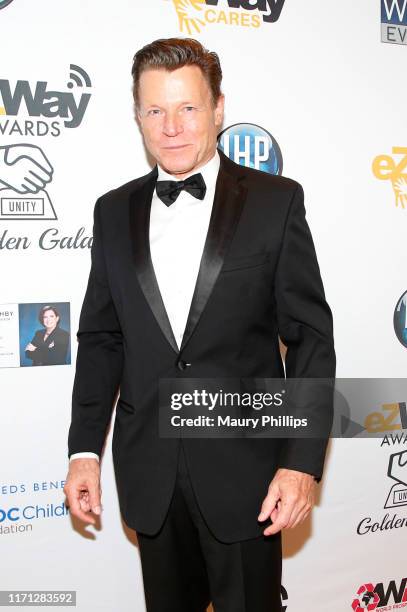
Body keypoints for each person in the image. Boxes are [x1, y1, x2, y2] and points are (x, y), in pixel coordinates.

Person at [64, 37, 336, 611]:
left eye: (188, 108)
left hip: (248, 476)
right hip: (150, 475)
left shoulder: (275, 201)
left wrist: (299, 461)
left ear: (218, 108)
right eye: (155, 111)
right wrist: (83, 450)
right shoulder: (113, 212)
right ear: (137, 116)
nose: (172, 127)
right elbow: (101, 339)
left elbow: (310, 339)